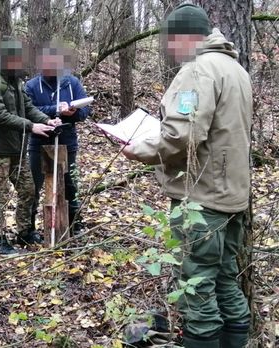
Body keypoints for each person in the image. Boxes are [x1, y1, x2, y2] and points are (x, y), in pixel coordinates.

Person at [121, 4, 252, 348]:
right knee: (225, 279)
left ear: (184, 37)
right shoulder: (234, 68)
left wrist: (141, 150)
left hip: (203, 198)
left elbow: (182, 135)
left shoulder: (199, 69)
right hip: (231, 195)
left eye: (170, 41)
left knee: (197, 285)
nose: (169, 49)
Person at [0, 38, 61, 255]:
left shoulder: (15, 80)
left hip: (17, 148)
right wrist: (31, 126)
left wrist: (46, 119)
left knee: (28, 189)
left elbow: (28, 106)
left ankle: (25, 231)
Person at [25, 43, 90, 235]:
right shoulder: (31, 85)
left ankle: (73, 223)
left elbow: (86, 110)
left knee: (69, 183)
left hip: (67, 141)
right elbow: (28, 110)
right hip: (39, 141)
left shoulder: (71, 83)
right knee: (34, 185)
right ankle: (28, 228)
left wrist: (72, 112)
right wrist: (55, 109)